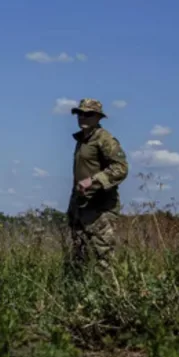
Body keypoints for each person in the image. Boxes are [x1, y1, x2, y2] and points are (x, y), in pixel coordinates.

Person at [65, 98, 128, 274]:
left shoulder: (104, 139)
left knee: (104, 256)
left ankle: (110, 290)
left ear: (98, 117)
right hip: (81, 207)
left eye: (89, 114)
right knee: (80, 256)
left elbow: (121, 168)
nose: (83, 117)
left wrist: (94, 180)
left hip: (100, 208)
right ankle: (81, 288)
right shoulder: (82, 140)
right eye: (80, 113)